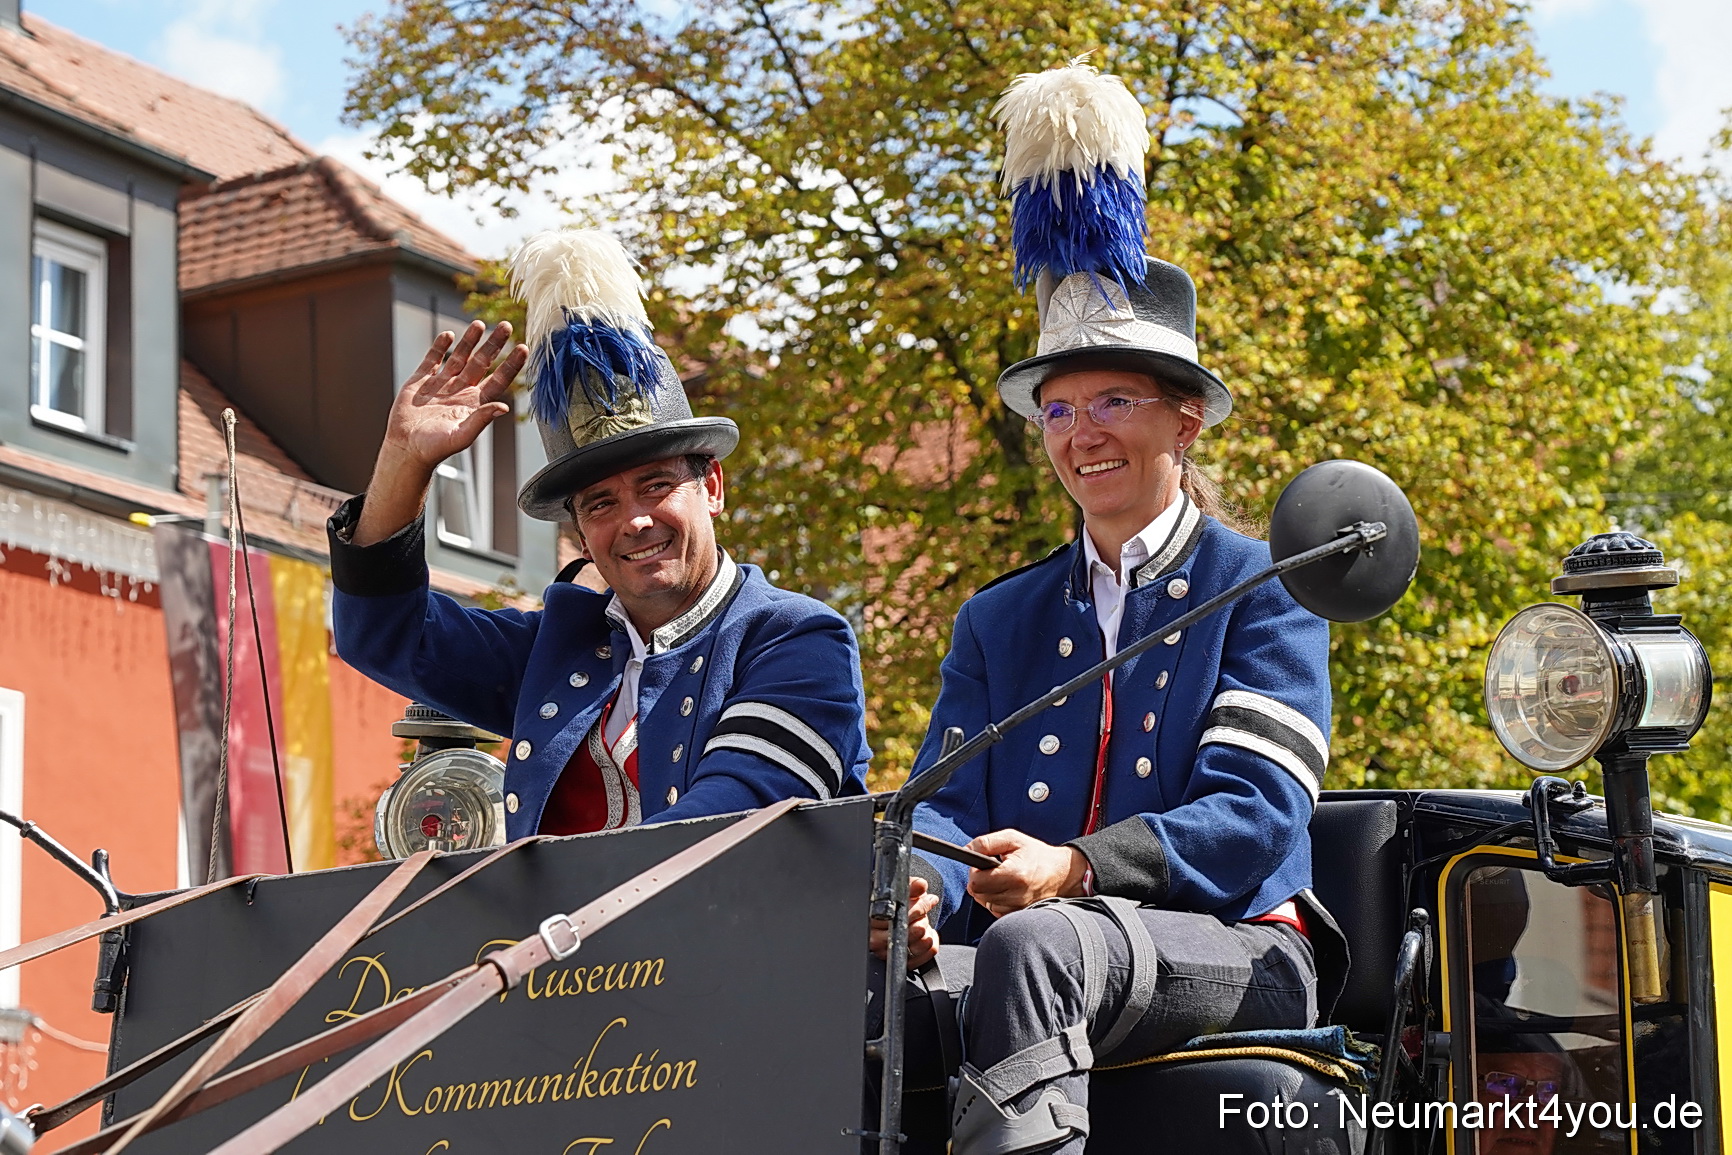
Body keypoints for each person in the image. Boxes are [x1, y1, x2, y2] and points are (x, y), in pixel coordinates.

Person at [885, 62, 1348, 1155]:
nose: (1080, 432)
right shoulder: (997, 621)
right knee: (840, 991)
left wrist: (1078, 867)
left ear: (1185, 422)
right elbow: (944, 816)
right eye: (1056, 409)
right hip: (1042, 951)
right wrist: (913, 890)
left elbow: (1257, 819)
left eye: (1113, 401)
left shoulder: (1264, 588)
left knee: (1037, 944)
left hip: (1241, 949)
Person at [329, 228, 870, 838]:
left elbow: (734, 822)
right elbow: (381, 636)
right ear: (582, 537)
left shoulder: (797, 638)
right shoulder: (557, 648)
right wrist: (405, 465)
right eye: (601, 502)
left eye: (656, 486)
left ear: (711, 488)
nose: (634, 519)